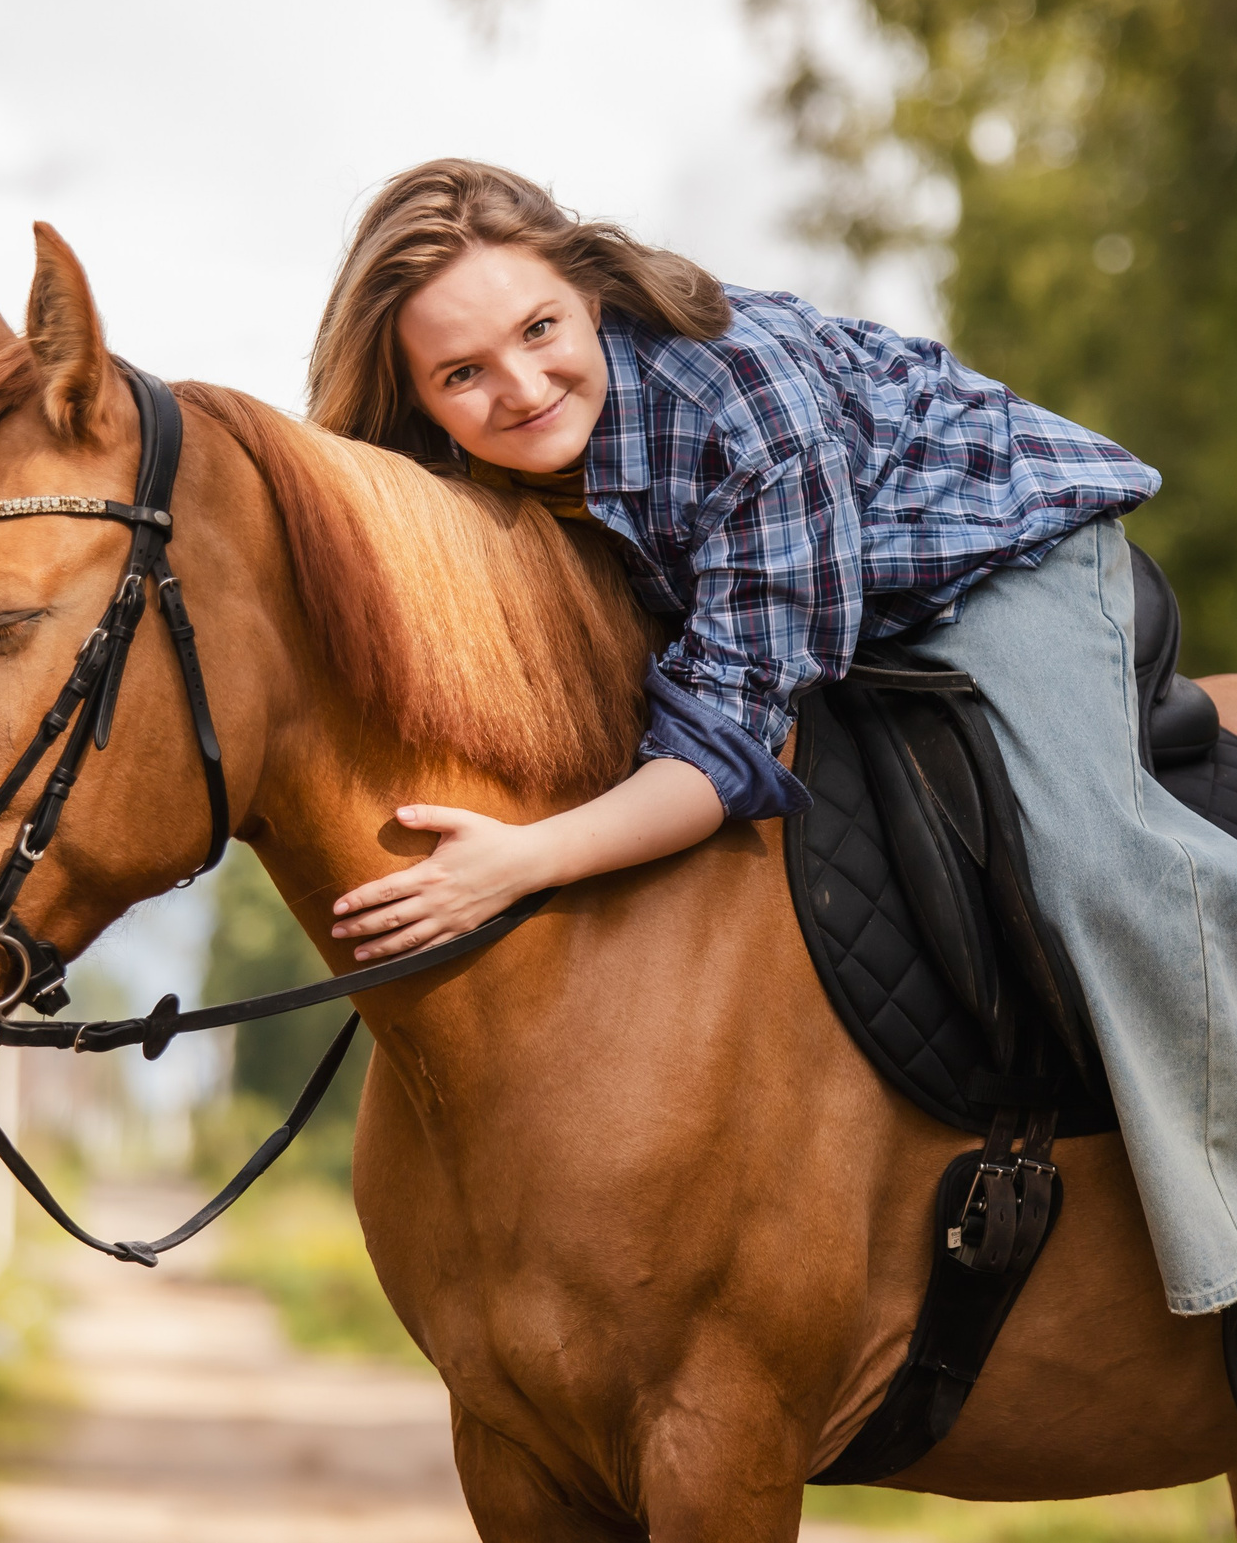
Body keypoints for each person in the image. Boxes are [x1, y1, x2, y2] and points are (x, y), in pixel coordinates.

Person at [308, 157, 1237, 1318]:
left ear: (587, 288)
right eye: (463, 372)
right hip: (821, 601)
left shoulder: (741, 405)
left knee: (1097, 861)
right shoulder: (479, 460)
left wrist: (521, 859)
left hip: (987, 561)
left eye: (538, 327)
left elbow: (721, 747)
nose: (521, 385)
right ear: (420, 402)